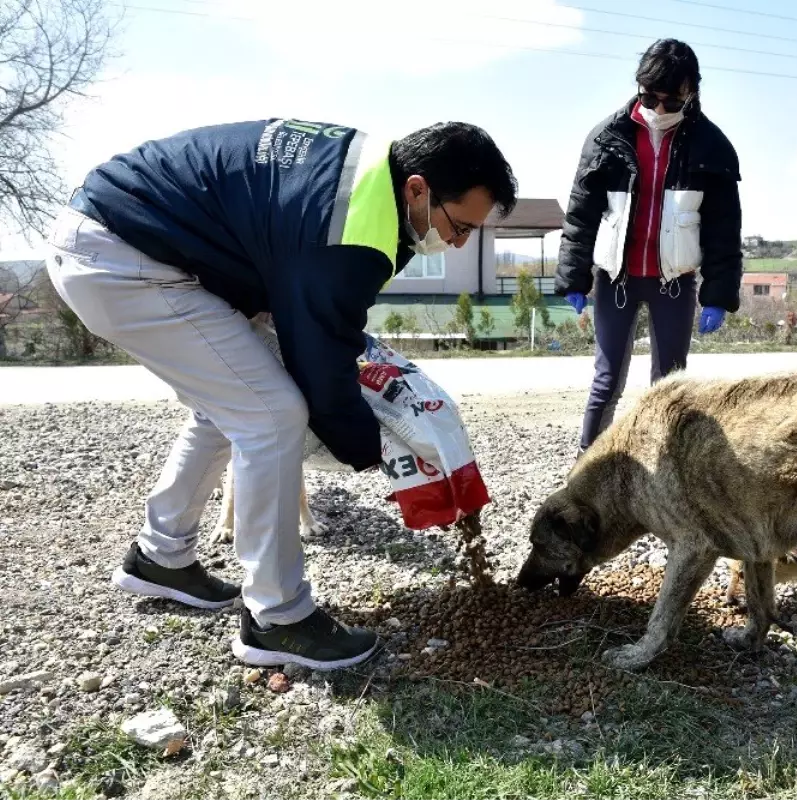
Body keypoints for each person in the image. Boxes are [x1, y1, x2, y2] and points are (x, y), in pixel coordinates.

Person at [44, 119, 518, 669]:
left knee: (231, 403)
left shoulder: (365, 178)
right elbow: (320, 357)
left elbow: (316, 315)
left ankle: (160, 556)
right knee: (270, 415)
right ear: (418, 188)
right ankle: (278, 617)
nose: (457, 244)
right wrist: (373, 448)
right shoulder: (353, 228)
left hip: (129, 237)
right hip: (123, 258)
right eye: (458, 226)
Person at [555, 38, 743, 455]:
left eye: (670, 101)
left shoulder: (712, 146)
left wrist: (717, 295)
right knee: (606, 380)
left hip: (673, 284)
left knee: (670, 384)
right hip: (616, 281)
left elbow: (723, 230)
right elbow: (581, 213)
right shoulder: (606, 137)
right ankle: (587, 468)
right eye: (649, 98)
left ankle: (665, 475)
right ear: (638, 88)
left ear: (690, 92)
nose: (658, 110)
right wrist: (573, 276)